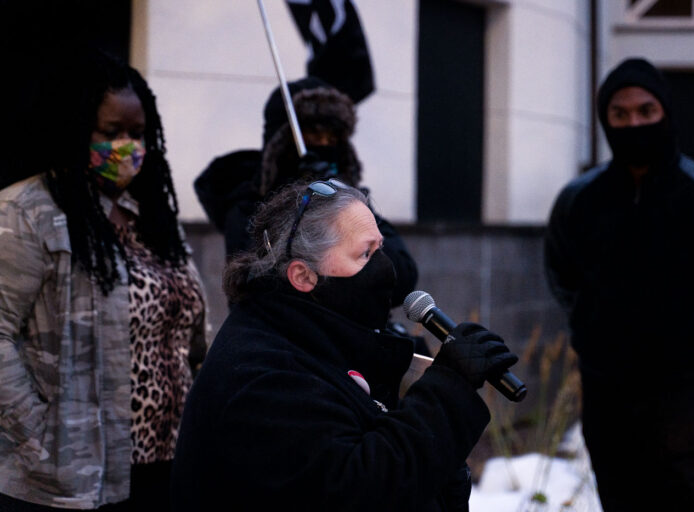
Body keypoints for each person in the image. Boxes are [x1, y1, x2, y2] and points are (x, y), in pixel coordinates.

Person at [171, 179, 518, 511]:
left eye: (380, 247)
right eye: (365, 254)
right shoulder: (260, 376)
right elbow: (358, 490)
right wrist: (448, 388)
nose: (385, 267)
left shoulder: (313, 336)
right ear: (304, 277)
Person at [545, 57, 694, 511]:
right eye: (620, 114)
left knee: (688, 496)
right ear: (605, 120)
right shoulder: (579, 199)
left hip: (682, 390)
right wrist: (595, 325)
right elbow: (560, 272)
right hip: (606, 390)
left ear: (665, 112)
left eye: (646, 111)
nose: (634, 123)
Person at [0, 50, 207, 510]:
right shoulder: (26, 212)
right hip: (72, 479)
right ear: (74, 130)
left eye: (138, 134)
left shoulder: (153, 217)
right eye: (111, 133)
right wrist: (38, 438)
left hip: (167, 463)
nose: (128, 148)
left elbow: (189, 330)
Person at [194, 77, 419, 308]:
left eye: (331, 139)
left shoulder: (352, 203)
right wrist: (299, 199)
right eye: (313, 136)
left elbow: (401, 280)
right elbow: (255, 294)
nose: (323, 145)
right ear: (282, 142)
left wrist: (343, 198)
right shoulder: (248, 208)